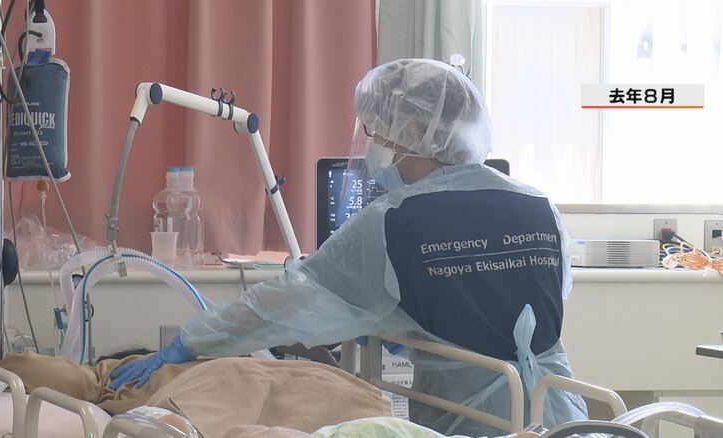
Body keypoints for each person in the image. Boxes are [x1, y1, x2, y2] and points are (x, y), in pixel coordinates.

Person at [109, 58, 588, 436]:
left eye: (378, 132)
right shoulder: (539, 205)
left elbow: (278, 306)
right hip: (563, 415)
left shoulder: (394, 220)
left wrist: (189, 342)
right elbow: (520, 300)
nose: (373, 143)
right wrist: (409, 318)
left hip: (466, 421)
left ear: (412, 134)